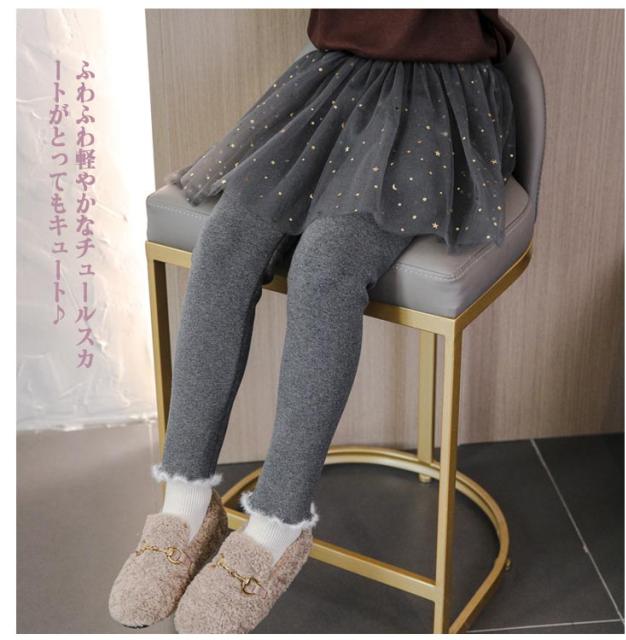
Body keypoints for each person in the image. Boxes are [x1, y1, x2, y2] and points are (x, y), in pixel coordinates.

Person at [109, 8, 516, 633]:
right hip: (333, 84)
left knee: (326, 267)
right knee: (227, 242)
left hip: (438, 100)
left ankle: (279, 524)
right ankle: (184, 501)